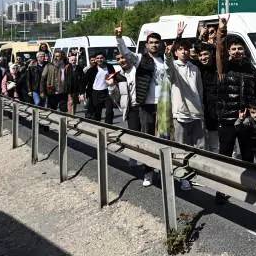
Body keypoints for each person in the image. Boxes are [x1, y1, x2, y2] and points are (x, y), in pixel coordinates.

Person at [214, 15, 256, 203]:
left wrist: (254, 112)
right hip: (227, 120)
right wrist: (222, 31)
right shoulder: (223, 69)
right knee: (225, 155)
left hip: (247, 120)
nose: (237, 51)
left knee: (248, 156)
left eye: (240, 48)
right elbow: (219, 50)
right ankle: (221, 190)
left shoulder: (251, 71)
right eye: (233, 49)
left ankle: (249, 188)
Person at [116, 23, 167, 187]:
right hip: (147, 105)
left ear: (160, 44)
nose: (154, 45)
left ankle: (164, 171)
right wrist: (119, 38)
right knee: (148, 140)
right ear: (147, 45)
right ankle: (148, 172)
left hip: (164, 105)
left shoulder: (165, 60)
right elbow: (126, 54)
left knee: (165, 141)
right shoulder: (141, 59)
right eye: (151, 42)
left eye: (156, 42)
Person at [165, 24, 205, 148]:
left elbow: (199, 90)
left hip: (196, 112)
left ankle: (197, 168)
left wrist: (201, 105)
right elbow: (168, 65)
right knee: (181, 146)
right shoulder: (173, 67)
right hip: (180, 113)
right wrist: (168, 55)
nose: (184, 51)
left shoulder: (195, 68)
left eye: (186, 49)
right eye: (181, 49)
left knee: (200, 147)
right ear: (176, 52)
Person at [84, 52, 116, 124]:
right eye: (97, 58)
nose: (99, 59)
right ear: (95, 60)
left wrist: (112, 81)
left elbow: (114, 77)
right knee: (97, 113)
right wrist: (82, 93)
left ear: (104, 59)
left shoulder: (109, 67)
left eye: (101, 58)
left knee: (109, 111)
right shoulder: (91, 70)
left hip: (107, 92)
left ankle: (108, 126)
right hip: (95, 93)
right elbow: (84, 81)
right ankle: (98, 127)